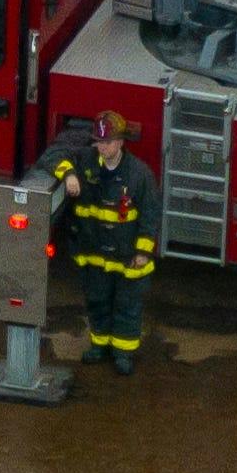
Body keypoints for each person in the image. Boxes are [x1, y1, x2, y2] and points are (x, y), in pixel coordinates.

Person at [43, 108, 157, 373]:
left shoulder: (140, 175)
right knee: (97, 300)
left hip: (128, 257)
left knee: (127, 306)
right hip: (94, 253)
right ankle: (99, 345)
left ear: (120, 142)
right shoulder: (85, 161)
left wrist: (143, 251)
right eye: (98, 142)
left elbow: (150, 217)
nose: (101, 147)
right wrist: (69, 174)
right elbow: (52, 155)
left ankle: (123, 354)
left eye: (106, 142)